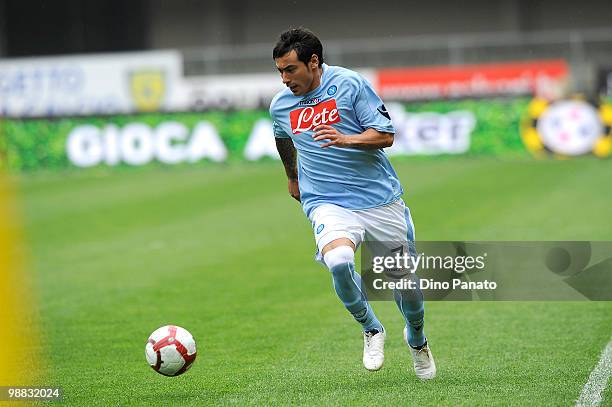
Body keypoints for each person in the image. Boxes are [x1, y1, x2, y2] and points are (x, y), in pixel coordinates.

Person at [269, 27, 436, 379]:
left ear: (313, 62)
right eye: (280, 71)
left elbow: (386, 135)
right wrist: (292, 175)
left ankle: (417, 339)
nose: (284, 79)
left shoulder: (350, 84)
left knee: (404, 282)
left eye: (290, 69)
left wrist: (345, 139)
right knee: (339, 260)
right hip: (327, 202)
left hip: (378, 199)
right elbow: (282, 136)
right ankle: (372, 328)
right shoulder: (281, 105)